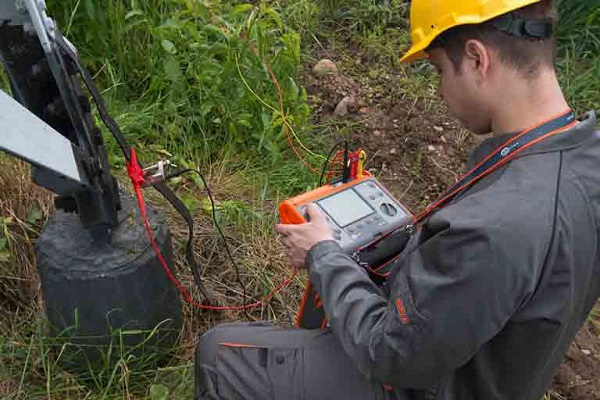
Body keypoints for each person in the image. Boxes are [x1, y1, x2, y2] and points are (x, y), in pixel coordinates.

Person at [195, 1, 600, 399]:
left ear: (478, 59)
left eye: (440, 70)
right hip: (491, 366)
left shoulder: (496, 224)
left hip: (433, 382)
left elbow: (390, 352)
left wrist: (322, 254)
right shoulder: (585, 156)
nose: (440, 90)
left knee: (220, 356)